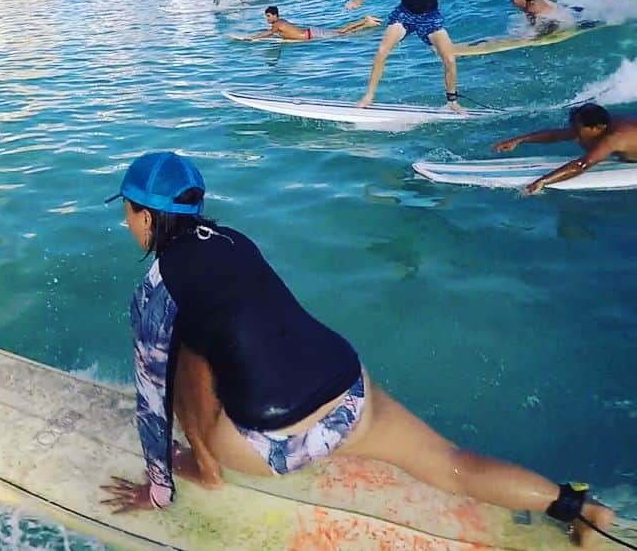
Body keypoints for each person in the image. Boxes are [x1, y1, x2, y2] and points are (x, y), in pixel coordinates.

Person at [100, 151, 614, 546]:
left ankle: (207, 469)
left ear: (145, 215)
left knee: (184, 353)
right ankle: (575, 508)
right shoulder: (234, 240)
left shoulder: (155, 288)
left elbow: (151, 402)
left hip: (272, 442)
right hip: (350, 396)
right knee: (451, 464)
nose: (126, 224)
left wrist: (158, 490)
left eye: (127, 212)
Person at [345, 0, 487, 111]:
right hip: (404, 15)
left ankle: (452, 102)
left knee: (449, 59)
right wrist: (358, 1)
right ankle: (368, 97)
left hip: (430, 18)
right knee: (381, 51)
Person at [492, 103, 637, 195]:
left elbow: (581, 165)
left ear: (597, 128)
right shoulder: (598, 125)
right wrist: (518, 140)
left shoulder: (614, 138)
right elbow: (555, 135)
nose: (574, 131)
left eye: (578, 128)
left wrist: (543, 181)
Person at [242, 5, 381, 41]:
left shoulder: (277, 24)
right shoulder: (281, 21)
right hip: (310, 32)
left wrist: (253, 37)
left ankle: (365, 21)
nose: (267, 19)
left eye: (268, 16)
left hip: (311, 34)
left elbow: (269, 33)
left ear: (275, 16)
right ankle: (365, 22)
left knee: (343, 33)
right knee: (341, 31)